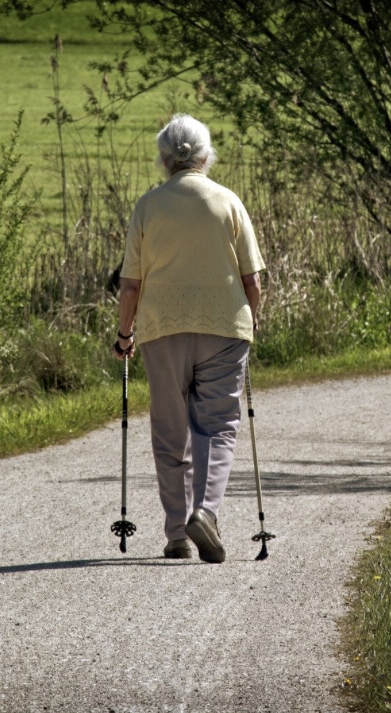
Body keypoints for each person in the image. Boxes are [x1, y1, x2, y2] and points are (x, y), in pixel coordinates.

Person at [112, 114, 264, 563]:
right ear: (205, 156)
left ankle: (178, 533)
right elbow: (252, 280)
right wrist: (252, 321)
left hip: (162, 329)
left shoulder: (148, 206)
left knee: (169, 430)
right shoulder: (228, 201)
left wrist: (124, 335)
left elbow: (130, 286)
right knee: (216, 425)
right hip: (224, 328)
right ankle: (206, 513)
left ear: (165, 160)